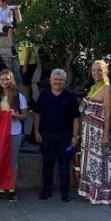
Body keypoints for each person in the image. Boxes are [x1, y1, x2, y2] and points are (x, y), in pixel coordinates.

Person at [33, 69, 81, 202]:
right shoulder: (44, 95)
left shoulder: (70, 97)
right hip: (46, 135)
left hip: (65, 136)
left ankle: (65, 193)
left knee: (64, 165)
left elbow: (76, 118)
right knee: (47, 164)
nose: (58, 82)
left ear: (64, 81)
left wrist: (75, 136)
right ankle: (46, 190)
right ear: (51, 80)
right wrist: (36, 131)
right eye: (56, 79)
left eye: (61, 80)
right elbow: (37, 114)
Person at [77, 60, 111, 205]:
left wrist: (106, 135)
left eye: (99, 70)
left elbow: (108, 114)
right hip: (89, 132)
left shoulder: (107, 88)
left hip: (100, 131)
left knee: (101, 162)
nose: (96, 73)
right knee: (91, 163)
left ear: (105, 71)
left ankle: (102, 194)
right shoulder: (93, 87)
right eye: (94, 70)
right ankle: (90, 192)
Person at [0, 70, 28, 202]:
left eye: (7, 79)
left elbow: (25, 116)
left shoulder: (18, 96)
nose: (5, 82)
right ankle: (0, 187)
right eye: (2, 79)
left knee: (12, 161)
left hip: (14, 132)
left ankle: (11, 188)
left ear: (11, 80)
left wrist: (14, 115)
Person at [18, 37, 39, 104]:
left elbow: (28, 51)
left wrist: (25, 65)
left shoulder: (27, 37)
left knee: (27, 83)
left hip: (29, 64)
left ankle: (31, 101)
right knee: (26, 84)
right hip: (24, 64)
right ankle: (30, 100)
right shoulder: (21, 38)